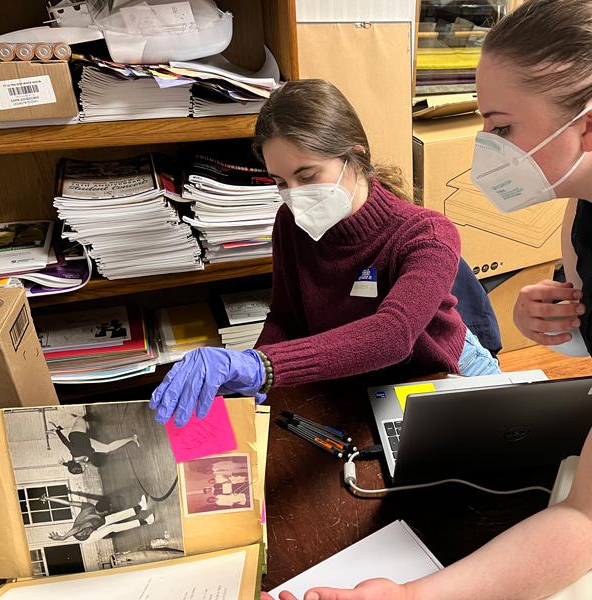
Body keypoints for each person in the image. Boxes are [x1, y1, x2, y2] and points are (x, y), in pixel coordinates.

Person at [263, 1, 592, 599]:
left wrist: (413, 596)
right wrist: (565, 324)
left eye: (501, 126)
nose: (485, 147)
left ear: (591, 126)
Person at [150, 79, 501, 428]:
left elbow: (393, 335)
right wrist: (252, 373)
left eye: (307, 175)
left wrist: (265, 367)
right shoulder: (289, 221)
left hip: (438, 371)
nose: (294, 194)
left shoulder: (428, 233)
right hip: (354, 380)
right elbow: (287, 317)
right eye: (280, 182)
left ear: (355, 158)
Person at [43, 492, 153, 543]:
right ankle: (146, 522)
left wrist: (49, 498)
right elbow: (78, 528)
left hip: (87, 526)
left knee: (113, 517)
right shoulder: (96, 521)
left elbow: (68, 502)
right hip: (87, 537)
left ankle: (140, 507)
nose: (110, 509)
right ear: (104, 511)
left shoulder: (88, 506)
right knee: (112, 527)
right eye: (109, 509)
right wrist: (63, 537)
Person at [50, 414, 139, 474]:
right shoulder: (81, 461)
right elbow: (70, 465)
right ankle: (132, 438)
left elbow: (65, 442)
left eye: (83, 466)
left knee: (80, 419)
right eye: (85, 468)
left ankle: (61, 426)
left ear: (78, 463)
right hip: (86, 443)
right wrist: (64, 464)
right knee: (107, 449)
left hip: (77, 434)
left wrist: (58, 431)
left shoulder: (75, 452)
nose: (86, 466)